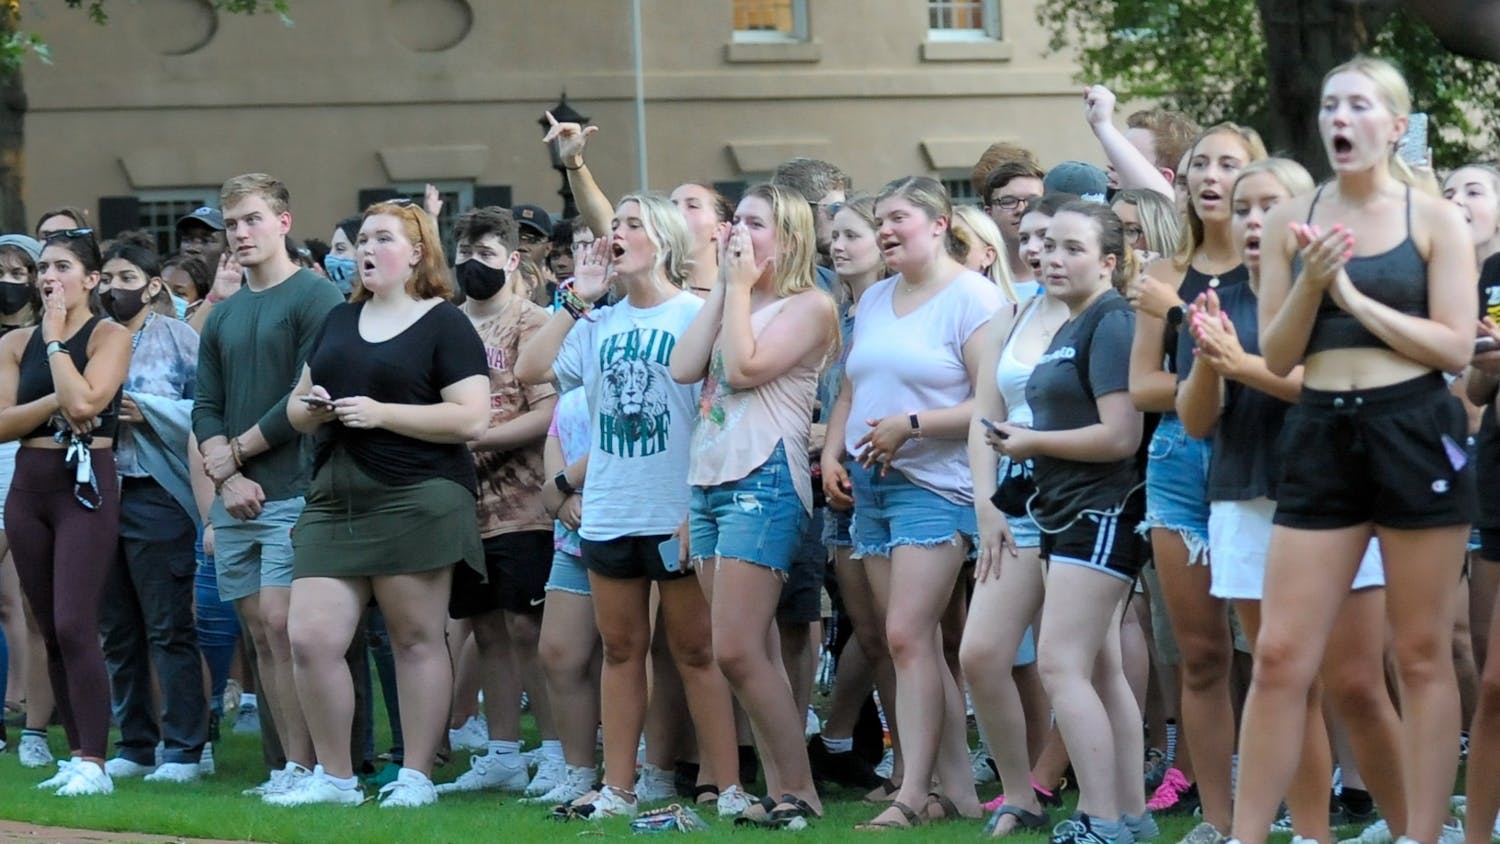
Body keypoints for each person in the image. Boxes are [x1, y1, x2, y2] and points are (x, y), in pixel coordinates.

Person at [1228, 56, 1478, 844]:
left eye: (1360, 104)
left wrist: (1354, 297)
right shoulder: (1287, 219)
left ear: (1393, 125)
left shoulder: (1431, 218)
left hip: (1413, 429)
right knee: (1278, 656)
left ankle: (1421, 837)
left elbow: (1453, 349)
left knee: (1422, 655)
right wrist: (1309, 281)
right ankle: (1244, 835)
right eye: (1331, 103)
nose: (1341, 116)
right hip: (1321, 433)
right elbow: (1275, 357)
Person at [1176, 159, 1406, 844]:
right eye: (1243, 207)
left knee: (1357, 684)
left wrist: (1243, 363)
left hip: (1338, 500)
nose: (1253, 220)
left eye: (1269, 205)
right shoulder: (1218, 299)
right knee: (1283, 676)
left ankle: (1414, 829)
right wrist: (1210, 363)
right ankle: (1311, 834)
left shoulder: (1341, 293)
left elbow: (1327, 389)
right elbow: (1194, 421)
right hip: (1243, 496)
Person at [515, 193, 736, 822]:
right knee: (620, 651)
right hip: (610, 510)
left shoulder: (694, 314)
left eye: (632, 225)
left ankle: (726, 784)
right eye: (614, 225)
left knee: (695, 651)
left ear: (662, 241)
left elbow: (715, 419)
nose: (616, 235)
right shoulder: (596, 323)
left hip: (675, 509)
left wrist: (699, 507)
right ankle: (619, 787)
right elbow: (530, 371)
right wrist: (577, 300)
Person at [822, 176, 1001, 830]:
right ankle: (958, 790)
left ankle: (911, 791)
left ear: (939, 222)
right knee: (913, 644)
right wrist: (835, 452)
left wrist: (913, 425)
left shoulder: (973, 298)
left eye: (898, 219)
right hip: (869, 490)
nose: (887, 231)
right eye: (882, 221)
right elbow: (850, 388)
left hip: (937, 486)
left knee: (905, 635)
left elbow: (992, 403)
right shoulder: (874, 300)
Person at [671, 182, 838, 826]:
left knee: (737, 649)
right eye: (735, 220)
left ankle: (800, 789)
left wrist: (738, 291)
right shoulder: (733, 297)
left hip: (764, 478)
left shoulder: (811, 306)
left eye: (755, 224)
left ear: (789, 239)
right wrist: (723, 288)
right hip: (710, 481)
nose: (738, 232)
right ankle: (783, 792)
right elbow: (687, 367)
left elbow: (742, 370)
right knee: (748, 648)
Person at [991, 201, 1149, 844]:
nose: (1053, 258)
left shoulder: (1111, 323)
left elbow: (1120, 437)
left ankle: (1102, 821)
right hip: (1064, 509)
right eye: (1048, 246)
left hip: (1102, 508)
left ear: (1109, 261)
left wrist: (1032, 444)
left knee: (1060, 664)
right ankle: (1131, 818)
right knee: (1101, 668)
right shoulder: (1071, 323)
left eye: (1072, 249)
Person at [1126, 123, 1266, 824]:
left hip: (1261, 458)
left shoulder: (1276, 266)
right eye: (1199, 164)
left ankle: (1291, 812)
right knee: (1202, 658)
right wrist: (1208, 375)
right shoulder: (1160, 272)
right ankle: (1218, 820)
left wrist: (1208, 358)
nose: (1211, 176)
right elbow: (1142, 386)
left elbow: (1277, 372)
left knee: (1275, 658)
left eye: (1229, 165)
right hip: (1178, 464)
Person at [192, 173, 345, 800]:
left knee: (285, 627)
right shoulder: (223, 312)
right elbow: (204, 405)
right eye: (232, 224)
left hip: (298, 490)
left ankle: (313, 768)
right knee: (260, 636)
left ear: (283, 221)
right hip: (237, 496)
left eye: (252, 219)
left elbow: (306, 400)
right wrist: (225, 477)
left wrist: (234, 459)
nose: (240, 233)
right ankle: (287, 768)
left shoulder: (318, 296)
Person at [961, 192, 1080, 839]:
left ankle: (1108, 804)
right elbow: (985, 420)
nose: (1035, 248)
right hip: (1013, 504)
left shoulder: (1096, 317)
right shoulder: (1011, 314)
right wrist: (986, 506)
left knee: (1083, 664)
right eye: (1029, 237)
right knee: (982, 655)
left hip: (1080, 503)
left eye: (1050, 237)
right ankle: (1021, 797)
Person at [0, 229, 131, 796]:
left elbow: (88, 404)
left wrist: (56, 345)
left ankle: (97, 762)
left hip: (84, 486)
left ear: (91, 279)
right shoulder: (12, 343)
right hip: (29, 484)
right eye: (43, 268)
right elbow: (5, 423)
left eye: (61, 267)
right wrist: (57, 399)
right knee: (50, 624)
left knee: (78, 622)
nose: (48, 278)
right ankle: (77, 754)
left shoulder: (109, 334)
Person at [437, 206, 562, 798]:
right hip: (466, 504)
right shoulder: (445, 323)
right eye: (465, 256)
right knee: (485, 628)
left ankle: (560, 752)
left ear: (514, 261)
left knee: (527, 625)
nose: (473, 267)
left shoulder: (531, 323)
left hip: (526, 503)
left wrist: (477, 436)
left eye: (486, 256)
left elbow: (547, 411)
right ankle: (504, 752)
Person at [94, 242, 208, 785]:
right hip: (95, 490)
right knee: (117, 627)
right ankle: (135, 742)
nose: (114, 286)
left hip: (155, 490)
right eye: (108, 276)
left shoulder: (179, 337)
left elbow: (207, 408)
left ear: (152, 285)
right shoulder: (91, 337)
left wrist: (151, 410)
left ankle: (185, 747)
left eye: (126, 276)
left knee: (168, 625)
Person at [530, 385, 602, 806]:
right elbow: (531, 369)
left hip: (629, 524)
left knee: (632, 652)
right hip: (574, 534)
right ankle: (579, 772)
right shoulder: (572, 387)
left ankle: (650, 768)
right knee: (558, 652)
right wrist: (561, 498)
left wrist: (564, 483)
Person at [0, 234, 40, 757]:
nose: (7, 282)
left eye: (17, 271)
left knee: (27, 601)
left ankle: (30, 711)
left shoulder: (48, 334)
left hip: (26, 461)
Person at [985, 160, 1047, 294]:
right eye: (1008, 202)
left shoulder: (1066, 278)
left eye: (1033, 201)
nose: (1021, 209)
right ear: (989, 213)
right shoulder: (976, 280)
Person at [953, 206, 1020, 300]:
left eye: (957, 243)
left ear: (988, 256)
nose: (946, 252)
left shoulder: (1001, 311)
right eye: (939, 244)